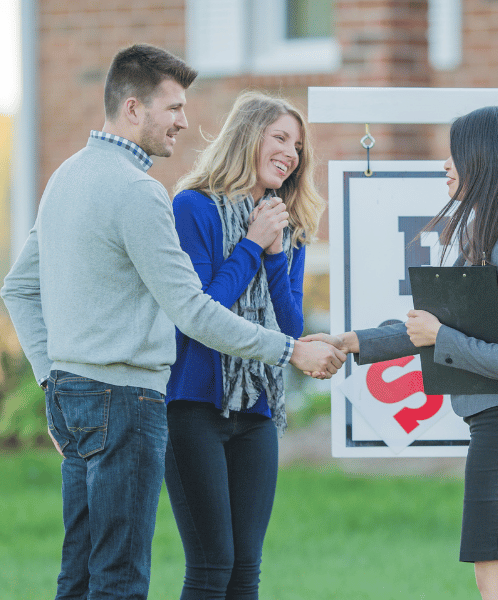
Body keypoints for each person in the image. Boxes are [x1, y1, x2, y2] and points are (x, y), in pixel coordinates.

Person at [0, 44, 344, 600]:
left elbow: (17, 288)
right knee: (120, 578)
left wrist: (52, 379)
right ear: (134, 109)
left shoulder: (67, 175)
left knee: (84, 573)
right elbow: (193, 311)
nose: (185, 121)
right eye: (174, 108)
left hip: (82, 393)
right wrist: (287, 348)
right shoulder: (148, 195)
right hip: (133, 399)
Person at [304, 106, 498, 600]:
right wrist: (349, 342)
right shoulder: (496, 241)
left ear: (488, 161)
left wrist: (442, 338)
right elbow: (432, 329)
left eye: (457, 153)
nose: (446, 164)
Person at [162, 91, 323, 598]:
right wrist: (251, 245)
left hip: (256, 409)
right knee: (212, 567)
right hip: (194, 405)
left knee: (246, 569)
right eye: (280, 138)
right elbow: (200, 312)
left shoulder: (286, 224)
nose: (291, 153)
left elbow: (290, 327)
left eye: (297, 145)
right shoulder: (193, 208)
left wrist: (275, 254)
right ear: (248, 137)